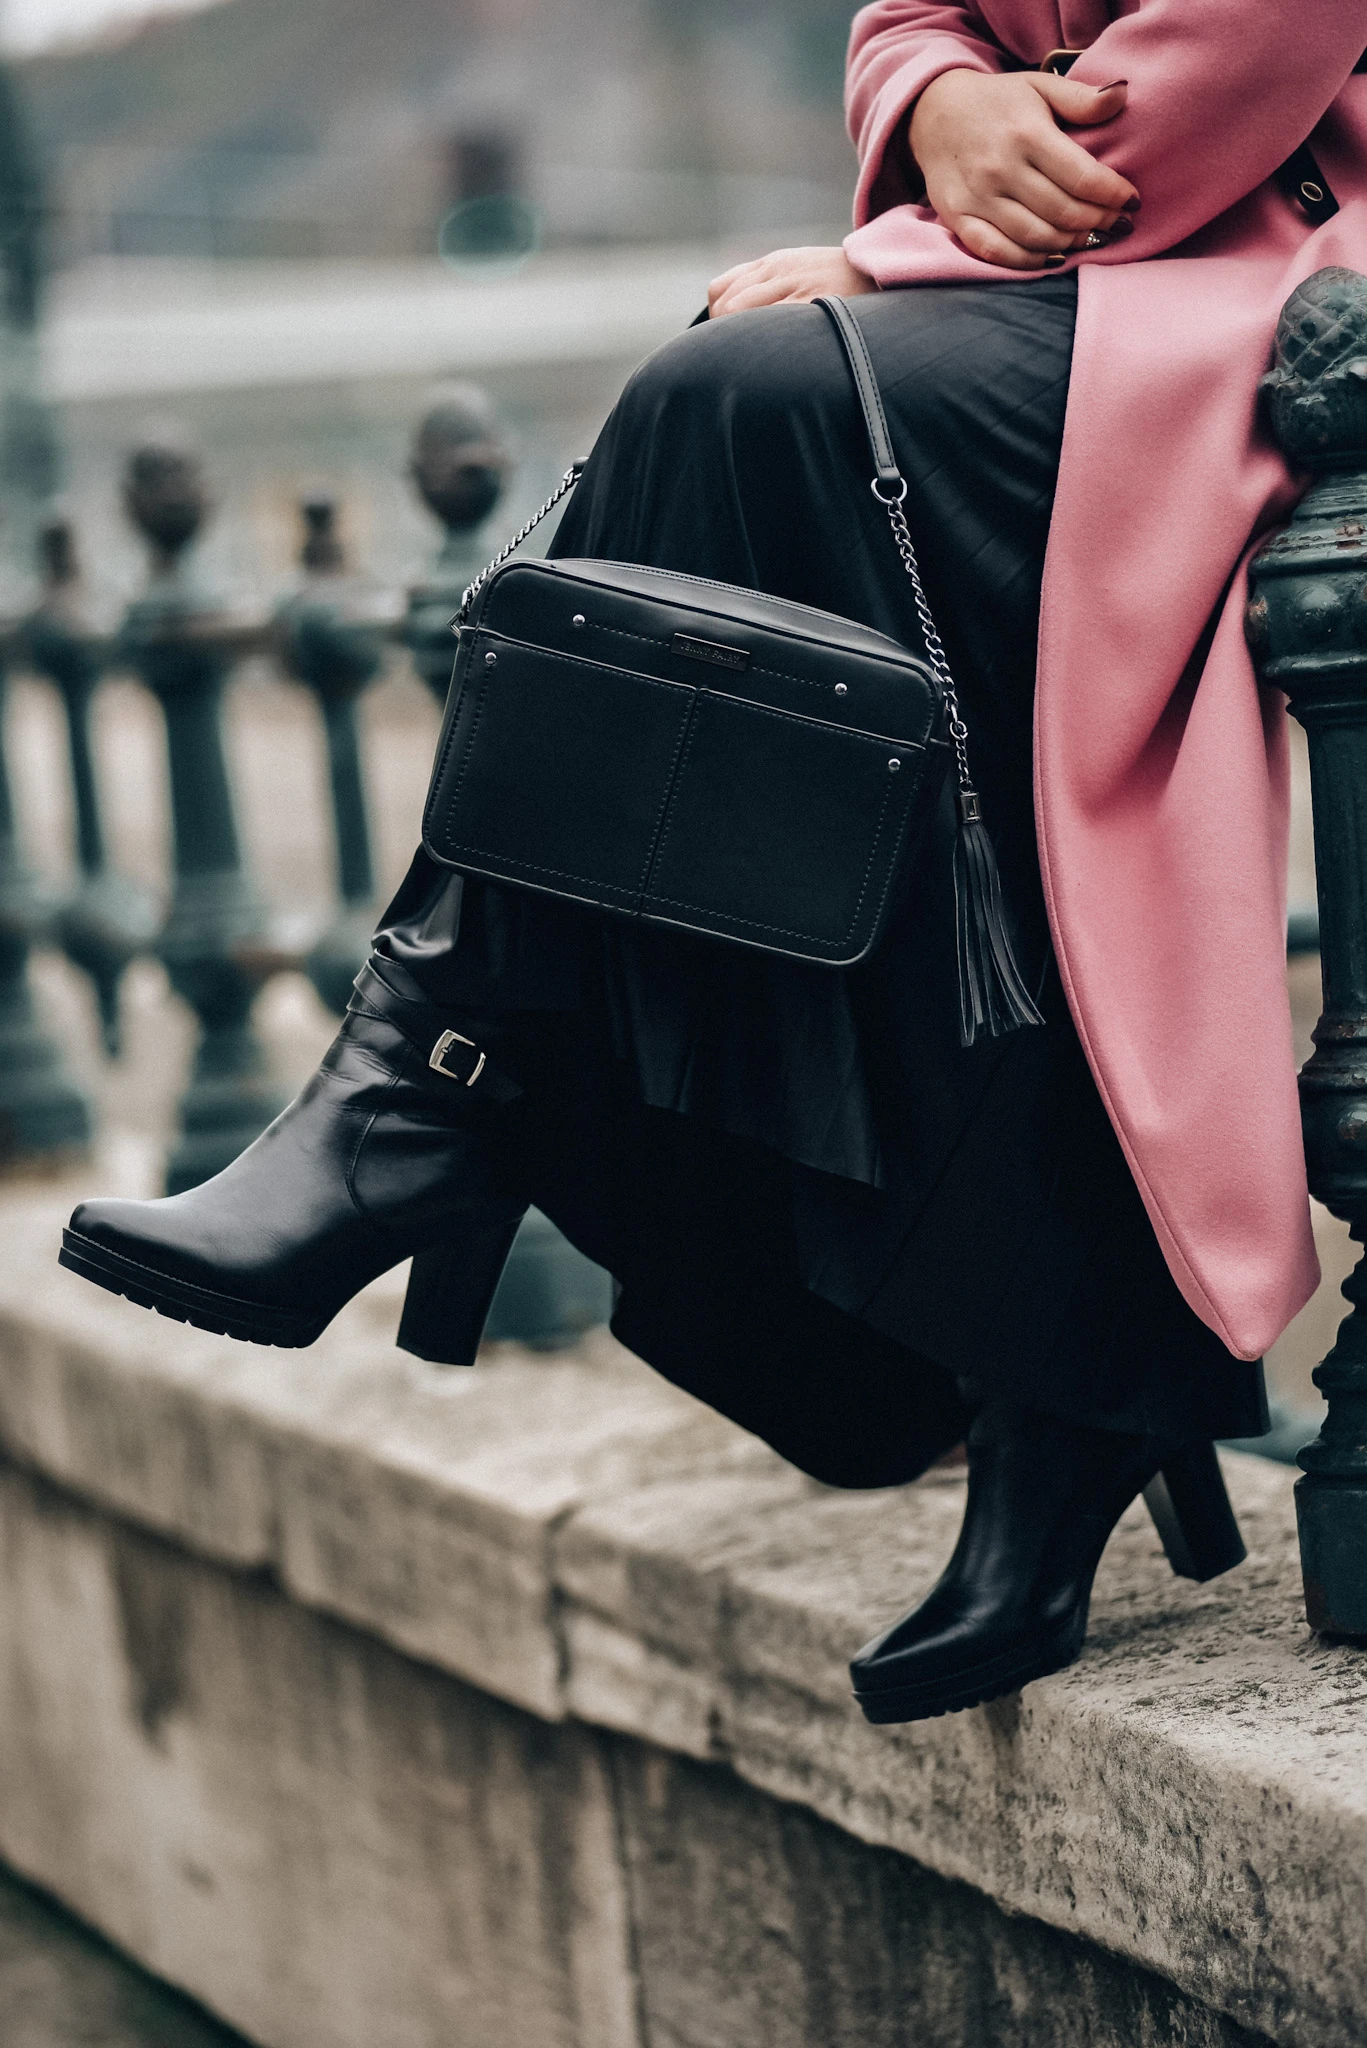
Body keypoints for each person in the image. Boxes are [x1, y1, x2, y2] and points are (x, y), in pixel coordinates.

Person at [58, 3, 1367, 1724]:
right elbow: (910, 15)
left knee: (731, 400)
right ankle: (1063, 1365)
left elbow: (1254, 39)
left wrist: (897, 243)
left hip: (1269, 271)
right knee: (766, 456)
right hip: (1074, 270)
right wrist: (936, 97)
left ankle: (435, 1080)